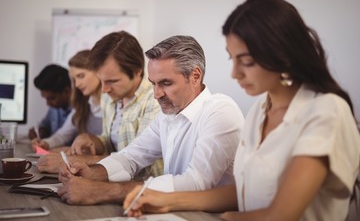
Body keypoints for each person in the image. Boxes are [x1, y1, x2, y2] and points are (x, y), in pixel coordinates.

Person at [123, 0, 360, 221]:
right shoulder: (260, 110)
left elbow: (280, 216)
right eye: (232, 59)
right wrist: (167, 201)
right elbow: (245, 192)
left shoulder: (326, 112)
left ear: (283, 54)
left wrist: (227, 217)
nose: (235, 73)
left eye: (246, 61)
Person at [57, 35, 244, 205]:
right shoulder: (168, 115)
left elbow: (196, 183)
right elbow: (131, 156)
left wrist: (103, 191)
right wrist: (94, 172)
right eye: (153, 83)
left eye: (166, 83)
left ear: (195, 76)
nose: (156, 94)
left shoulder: (220, 111)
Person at [39, 31, 162, 177]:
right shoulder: (110, 96)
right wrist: (91, 140)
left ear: (137, 72)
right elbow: (107, 142)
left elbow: (139, 164)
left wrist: (73, 161)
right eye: (101, 80)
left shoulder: (155, 101)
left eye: (112, 81)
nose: (104, 89)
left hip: (141, 190)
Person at [32, 50, 102, 153]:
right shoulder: (83, 105)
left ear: (98, 72)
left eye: (81, 76)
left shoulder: (113, 104)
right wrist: (46, 143)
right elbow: (63, 134)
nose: (77, 85)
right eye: (74, 80)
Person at [28, 64, 72, 140]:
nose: (48, 104)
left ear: (67, 91)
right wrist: (40, 131)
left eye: (52, 98)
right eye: (46, 98)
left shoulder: (80, 110)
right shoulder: (55, 108)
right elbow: (45, 126)